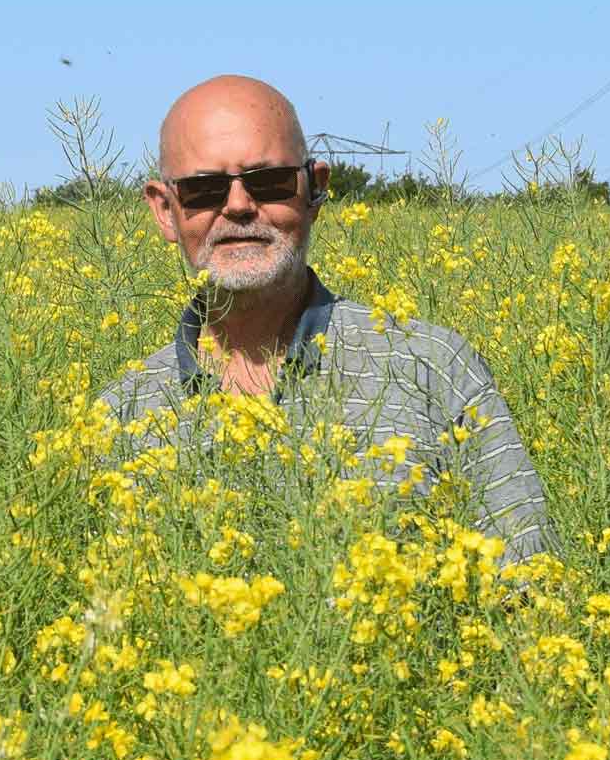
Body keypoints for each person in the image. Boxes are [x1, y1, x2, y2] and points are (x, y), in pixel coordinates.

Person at [98, 74, 552, 567]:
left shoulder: (433, 369)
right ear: (165, 211)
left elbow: (529, 589)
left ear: (315, 189)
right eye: (203, 189)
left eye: (269, 182)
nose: (238, 206)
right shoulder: (120, 416)